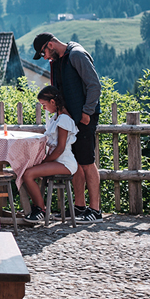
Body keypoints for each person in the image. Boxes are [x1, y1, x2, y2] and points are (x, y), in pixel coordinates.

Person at [32, 33, 103, 223]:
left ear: (51, 44)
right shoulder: (56, 62)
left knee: (87, 161)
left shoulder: (77, 55)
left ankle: (95, 211)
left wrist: (87, 113)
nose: (45, 57)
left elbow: (94, 85)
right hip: (70, 120)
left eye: (43, 52)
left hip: (85, 118)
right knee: (77, 162)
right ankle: (79, 208)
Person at [22, 86, 79, 222]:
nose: (44, 108)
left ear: (53, 102)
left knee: (28, 174)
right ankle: (37, 207)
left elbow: (60, 148)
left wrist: (44, 161)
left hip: (64, 162)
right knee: (25, 171)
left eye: (44, 105)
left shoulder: (64, 119)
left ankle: (40, 209)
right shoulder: (56, 118)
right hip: (57, 160)